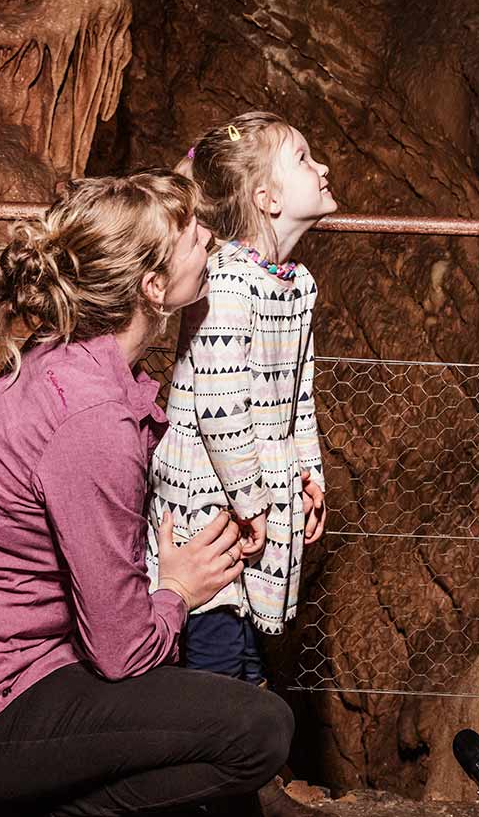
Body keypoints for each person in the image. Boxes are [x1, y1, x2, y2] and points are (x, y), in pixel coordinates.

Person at [0, 170, 294, 816]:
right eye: (192, 236)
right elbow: (121, 653)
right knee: (258, 731)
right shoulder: (91, 419)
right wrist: (177, 591)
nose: (209, 239)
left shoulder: (62, 359)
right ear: (153, 287)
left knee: (195, 735)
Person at [148, 112, 336, 685]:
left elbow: (298, 392)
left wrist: (310, 473)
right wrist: (252, 501)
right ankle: (208, 761)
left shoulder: (294, 286)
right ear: (267, 198)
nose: (322, 166)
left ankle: (242, 762)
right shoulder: (226, 283)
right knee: (216, 641)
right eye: (304, 159)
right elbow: (220, 411)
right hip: (208, 492)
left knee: (252, 645)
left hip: (259, 487)